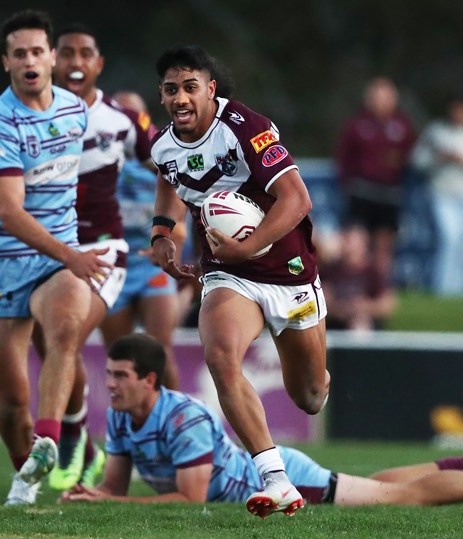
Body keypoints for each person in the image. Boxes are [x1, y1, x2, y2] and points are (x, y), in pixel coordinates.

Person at [60, 333, 463, 513]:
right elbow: (114, 489)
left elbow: (192, 500)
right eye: (108, 374)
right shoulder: (125, 419)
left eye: (120, 375)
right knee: (374, 488)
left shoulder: (182, 419)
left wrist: (114, 503)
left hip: (284, 483)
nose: (109, 383)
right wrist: (98, 498)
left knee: (399, 500)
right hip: (277, 477)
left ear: (151, 380)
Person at [148, 44, 330, 518]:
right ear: (162, 96)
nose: (181, 98)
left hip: (287, 272)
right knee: (221, 354)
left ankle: (318, 372)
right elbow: (168, 178)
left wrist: (248, 246)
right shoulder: (163, 144)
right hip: (227, 273)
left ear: (210, 90)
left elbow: (297, 200)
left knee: (309, 396)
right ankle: (276, 479)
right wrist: (163, 231)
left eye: (191, 87)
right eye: (171, 89)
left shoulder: (246, 126)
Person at [0, 9, 111, 505]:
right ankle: (26, 472)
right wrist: (71, 254)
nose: (30, 61)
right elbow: (10, 213)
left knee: (66, 328)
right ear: (6, 62)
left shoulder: (75, 109)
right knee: (10, 408)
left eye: (37, 51)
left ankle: (53, 439)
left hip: (57, 262)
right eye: (20, 53)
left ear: (52, 57)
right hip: (5, 263)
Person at [45, 23, 156, 493]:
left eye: (84, 53)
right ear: (52, 61)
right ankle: (82, 436)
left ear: (98, 64)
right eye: (65, 53)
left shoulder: (121, 119)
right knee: (51, 348)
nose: (74, 61)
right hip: (49, 249)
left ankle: (74, 440)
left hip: (105, 250)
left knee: (66, 335)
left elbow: (169, 163)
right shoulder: (27, 118)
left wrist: (170, 226)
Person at [100, 90, 185, 390]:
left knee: (159, 353)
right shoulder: (96, 163)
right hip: (112, 267)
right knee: (120, 358)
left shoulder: (159, 162)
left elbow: (182, 209)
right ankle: (130, 430)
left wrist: (175, 244)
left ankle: (177, 424)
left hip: (151, 266)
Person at [410, 90, 463, 296]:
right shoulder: (437, 132)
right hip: (442, 194)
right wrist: (439, 158)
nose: (458, 114)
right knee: (450, 238)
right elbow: (417, 160)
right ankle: (444, 291)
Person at [335, 77, 416, 279]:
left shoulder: (402, 125)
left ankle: (380, 287)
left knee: (384, 244)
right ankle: (353, 286)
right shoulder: (357, 125)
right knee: (356, 242)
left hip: (389, 192)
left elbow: (412, 156)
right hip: (362, 190)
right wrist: (348, 184)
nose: (382, 102)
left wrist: (400, 162)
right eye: (377, 97)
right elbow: (344, 157)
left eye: (386, 97)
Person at [318, 227, 395, 331]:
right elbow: (322, 300)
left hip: (367, 323)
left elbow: (387, 304)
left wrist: (365, 307)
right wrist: (342, 309)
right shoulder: (330, 271)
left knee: (360, 325)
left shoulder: (373, 271)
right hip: (336, 323)